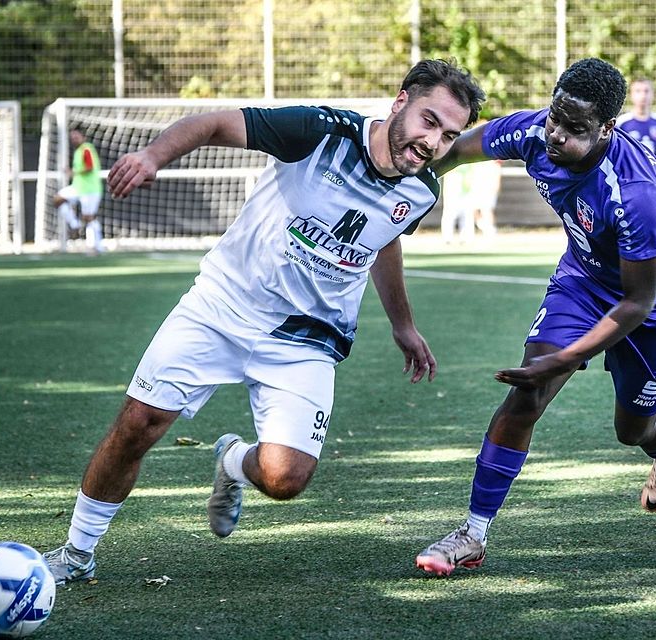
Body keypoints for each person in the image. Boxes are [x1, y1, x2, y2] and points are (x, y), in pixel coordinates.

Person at [41, 59, 485, 585]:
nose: (434, 141)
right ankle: (74, 555)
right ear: (400, 102)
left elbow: (382, 239)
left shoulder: (421, 190)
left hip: (308, 340)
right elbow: (212, 123)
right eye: (429, 121)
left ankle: (232, 460)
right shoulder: (317, 132)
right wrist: (151, 155)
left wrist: (402, 323)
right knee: (137, 425)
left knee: (285, 478)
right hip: (222, 306)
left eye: (448, 134)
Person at [414, 58, 656, 576]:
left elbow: (638, 302)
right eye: (555, 118)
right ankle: (472, 534)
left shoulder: (634, 192)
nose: (556, 136)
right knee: (527, 392)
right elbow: (456, 150)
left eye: (575, 130)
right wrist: (402, 182)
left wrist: (566, 359)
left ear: (606, 130)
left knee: (631, 428)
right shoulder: (534, 132)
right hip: (585, 278)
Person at [54, 128, 105, 255]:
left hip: (90, 189)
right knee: (58, 199)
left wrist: (72, 172)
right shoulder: (78, 151)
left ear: (83, 137)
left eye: (76, 136)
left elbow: (89, 167)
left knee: (89, 217)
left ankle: (96, 246)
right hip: (78, 187)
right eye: (72, 137)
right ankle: (75, 224)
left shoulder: (86, 149)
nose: (74, 139)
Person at [616, 78, 656, 166]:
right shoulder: (622, 122)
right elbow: (614, 151)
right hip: (629, 175)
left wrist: (655, 165)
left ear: (653, 95)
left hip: (652, 176)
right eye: (638, 91)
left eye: (646, 91)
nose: (643, 95)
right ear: (631, 95)